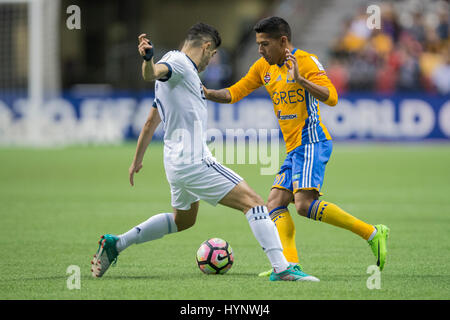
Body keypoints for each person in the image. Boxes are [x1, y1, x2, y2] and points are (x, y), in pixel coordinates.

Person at [91, 22, 319, 282]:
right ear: (207, 46)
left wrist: (137, 160)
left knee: (183, 221)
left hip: (175, 164)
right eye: (212, 56)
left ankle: (117, 243)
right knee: (255, 203)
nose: (210, 62)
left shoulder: (175, 75)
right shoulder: (178, 63)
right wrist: (147, 58)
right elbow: (151, 73)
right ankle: (282, 269)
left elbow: (149, 121)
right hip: (194, 162)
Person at [203, 17, 390, 277]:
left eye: (265, 44)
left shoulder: (306, 61)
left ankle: (371, 232)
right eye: (258, 44)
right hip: (294, 149)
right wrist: (207, 93)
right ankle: (291, 265)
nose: (260, 50)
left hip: (312, 141)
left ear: (283, 41)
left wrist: (301, 80)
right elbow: (235, 92)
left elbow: (332, 98)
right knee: (275, 204)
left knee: (303, 205)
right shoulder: (262, 68)